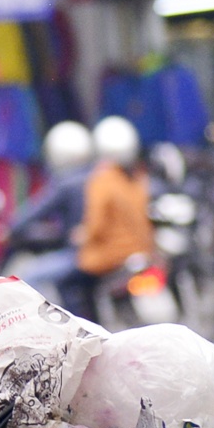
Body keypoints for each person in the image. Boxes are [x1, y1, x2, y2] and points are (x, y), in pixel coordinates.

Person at [5, 121, 93, 308]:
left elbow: (34, 210)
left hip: (83, 254)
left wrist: (10, 228)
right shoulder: (100, 176)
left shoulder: (65, 184)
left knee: (28, 278)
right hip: (104, 251)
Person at [75, 116, 157, 296]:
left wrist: (82, 236)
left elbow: (96, 225)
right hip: (143, 251)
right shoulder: (139, 179)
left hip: (111, 256)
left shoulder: (101, 182)